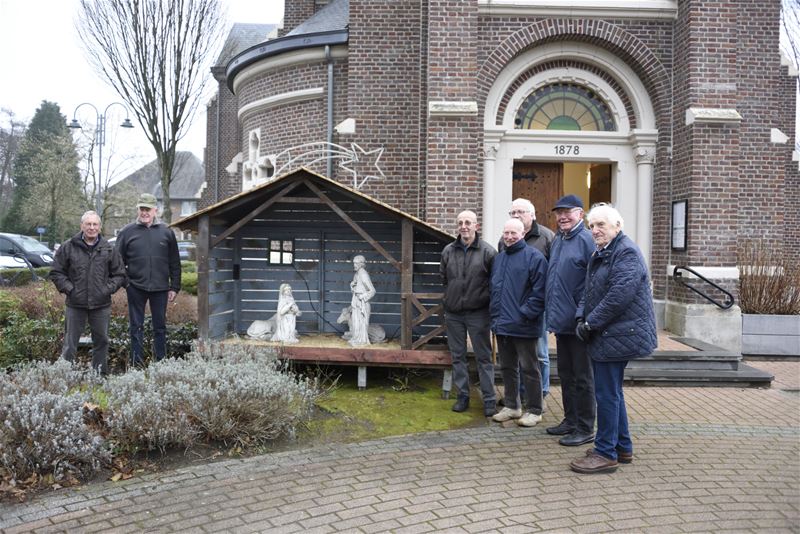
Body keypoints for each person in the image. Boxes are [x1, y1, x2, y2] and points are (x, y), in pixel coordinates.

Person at [569, 203, 657, 474]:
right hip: (608, 332)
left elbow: (619, 295)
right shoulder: (603, 251)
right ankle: (622, 446)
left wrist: (591, 322)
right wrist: (580, 316)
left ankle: (605, 452)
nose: (595, 230)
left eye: (601, 225)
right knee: (612, 392)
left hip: (617, 334)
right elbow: (590, 290)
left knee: (606, 394)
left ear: (617, 226)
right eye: (592, 225)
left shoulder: (626, 251)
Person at [545, 194, 597, 446]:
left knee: (583, 377)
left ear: (580, 214)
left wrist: (583, 317)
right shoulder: (559, 240)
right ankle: (570, 420)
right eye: (558, 213)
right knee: (566, 374)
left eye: (568, 212)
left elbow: (593, 284)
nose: (562, 217)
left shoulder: (587, 240)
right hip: (562, 323)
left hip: (579, 323)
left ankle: (586, 427)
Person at [49, 211, 127, 375]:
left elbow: (120, 275)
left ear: (99, 227)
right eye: (88, 224)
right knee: (70, 343)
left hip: (101, 305)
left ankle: (99, 376)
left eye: (95, 224)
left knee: (102, 342)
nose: (92, 227)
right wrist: (70, 290)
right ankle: (64, 376)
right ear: (82, 226)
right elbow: (56, 272)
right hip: (75, 304)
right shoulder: (68, 247)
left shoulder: (108, 249)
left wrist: (106, 290)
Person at [490, 218, 548, 427]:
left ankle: (534, 409)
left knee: (530, 368)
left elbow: (540, 292)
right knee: (507, 367)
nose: (509, 237)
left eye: (513, 233)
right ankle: (512, 406)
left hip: (524, 325)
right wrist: (495, 319)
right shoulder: (500, 258)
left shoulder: (535, 258)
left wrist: (524, 314)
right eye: (506, 233)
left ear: (523, 233)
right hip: (503, 325)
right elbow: (495, 290)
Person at [440, 210, 497, 416]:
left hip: (478, 313)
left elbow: (494, 284)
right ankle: (462, 396)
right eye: (460, 223)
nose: (464, 226)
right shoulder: (448, 251)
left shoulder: (488, 252)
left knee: (484, 358)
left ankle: (489, 399)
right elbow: (445, 279)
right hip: (454, 313)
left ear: (476, 226)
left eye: (468, 222)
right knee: (458, 357)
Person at [498, 198, 555, 401]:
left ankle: (541, 393)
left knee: (539, 353)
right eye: (512, 212)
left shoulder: (547, 237)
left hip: (536, 308)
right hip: (511, 310)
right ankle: (521, 395)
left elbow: (551, 275)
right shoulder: (504, 240)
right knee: (516, 357)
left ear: (532, 214)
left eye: (520, 212)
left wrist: (531, 310)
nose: (516, 215)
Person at [116, 193, 181, 366]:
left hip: (160, 288)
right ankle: (136, 363)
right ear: (137, 209)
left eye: (148, 209)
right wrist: (126, 283)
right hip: (135, 287)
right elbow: (117, 261)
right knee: (136, 327)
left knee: (160, 327)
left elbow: (175, 261)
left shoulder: (167, 232)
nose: (144, 212)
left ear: (155, 210)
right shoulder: (126, 232)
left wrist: (174, 287)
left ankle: (160, 363)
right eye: (141, 209)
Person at [349, 255, 376, 346]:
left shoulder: (363, 274)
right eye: (353, 263)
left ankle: (362, 341)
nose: (354, 265)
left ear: (361, 264)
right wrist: (353, 286)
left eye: (356, 263)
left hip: (362, 303)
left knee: (362, 324)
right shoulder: (357, 274)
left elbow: (372, 291)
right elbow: (357, 287)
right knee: (356, 322)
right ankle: (357, 339)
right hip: (356, 301)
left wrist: (363, 296)